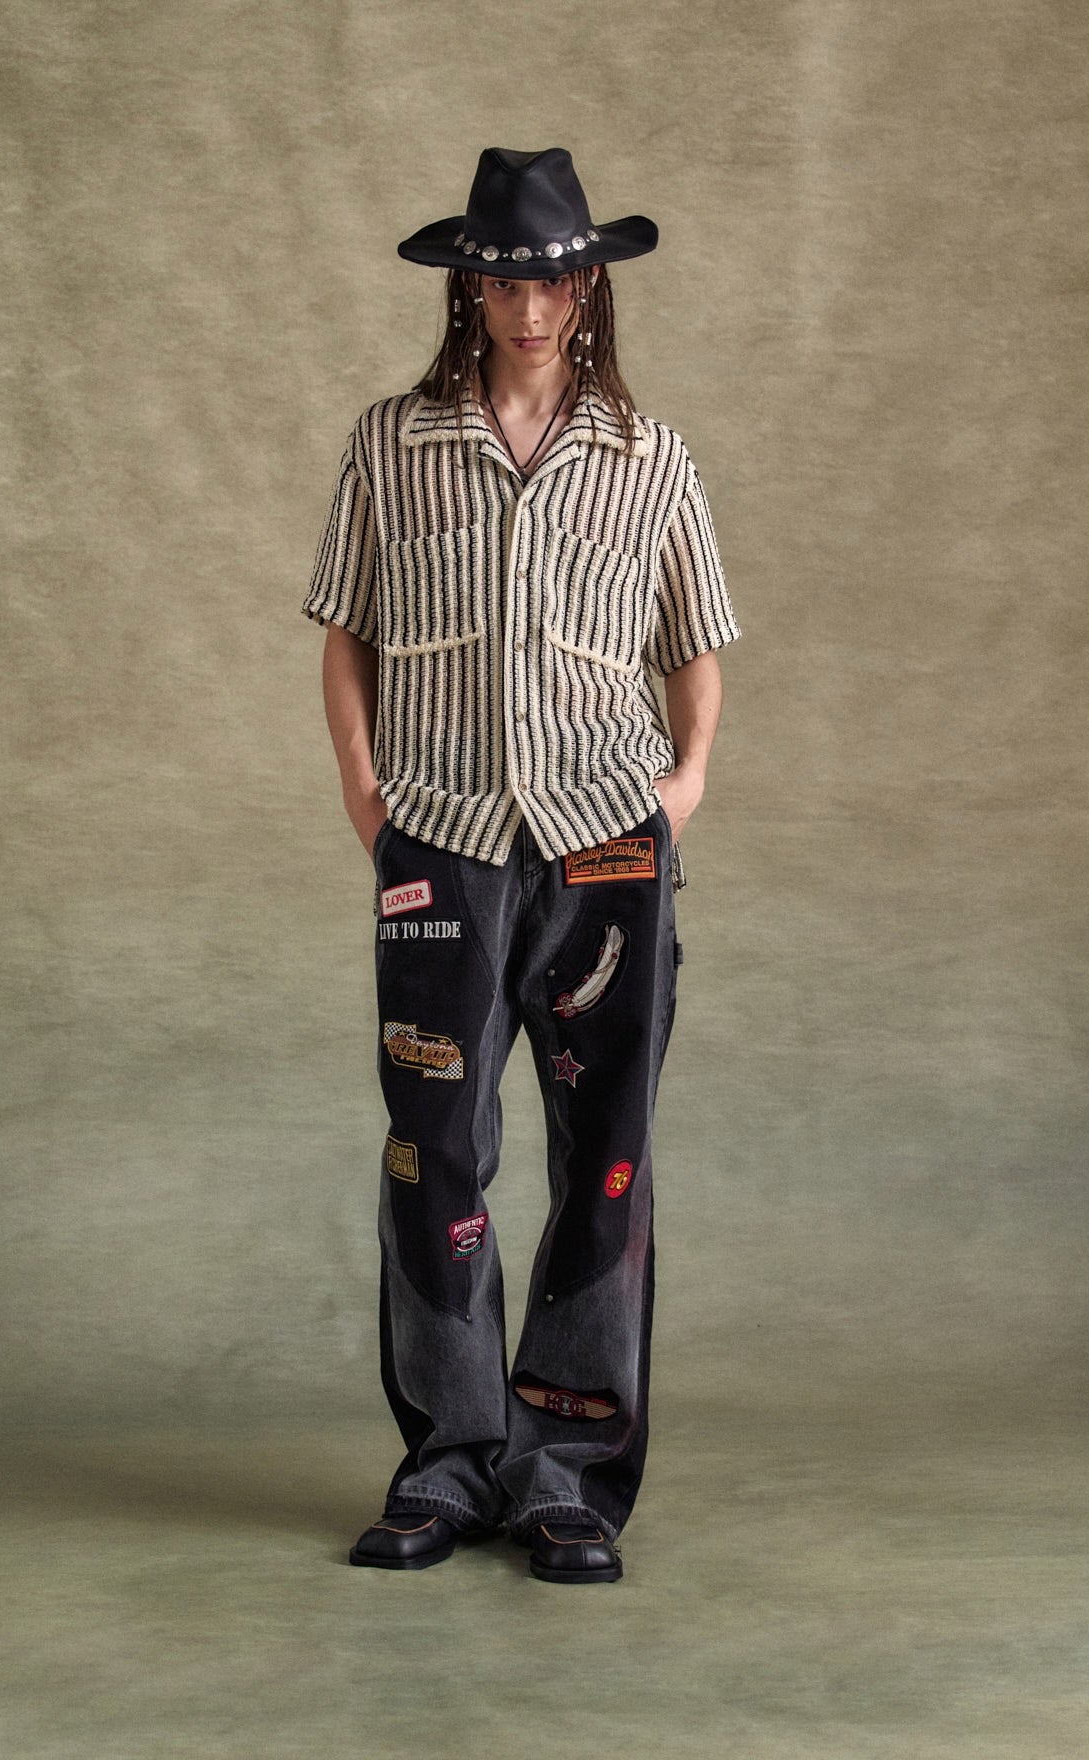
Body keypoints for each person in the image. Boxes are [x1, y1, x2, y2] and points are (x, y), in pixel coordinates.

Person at [302, 147, 740, 1584]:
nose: (532, 307)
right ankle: (447, 1461)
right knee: (434, 1147)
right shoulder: (392, 444)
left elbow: (697, 643)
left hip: (609, 837)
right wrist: (368, 796)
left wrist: (682, 788)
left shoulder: (651, 457)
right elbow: (347, 629)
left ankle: (568, 1476)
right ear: (468, 288)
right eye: (505, 282)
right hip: (443, 838)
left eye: (554, 279)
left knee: (604, 1154)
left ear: (589, 282)